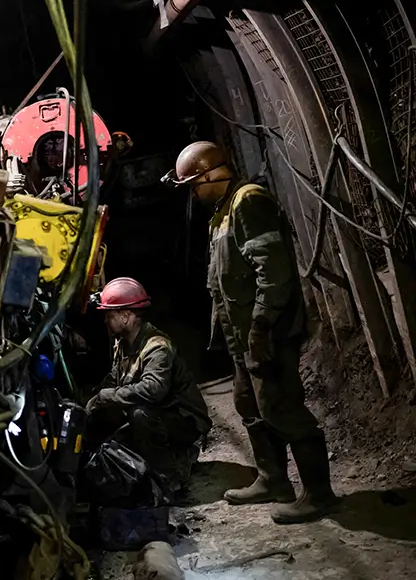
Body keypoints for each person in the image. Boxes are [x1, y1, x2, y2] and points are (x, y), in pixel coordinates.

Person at [166, 140, 337, 524]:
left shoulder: (249, 202)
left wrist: (260, 327)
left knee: (281, 405)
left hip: (268, 331)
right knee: (249, 404)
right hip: (242, 335)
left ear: (211, 173)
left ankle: (320, 494)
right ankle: (273, 480)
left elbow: (273, 272)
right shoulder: (222, 212)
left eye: (194, 184)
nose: (194, 192)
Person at [86, 277, 212, 495]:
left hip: (186, 419)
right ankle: (177, 456)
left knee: (139, 414)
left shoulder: (157, 347)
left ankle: (169, 478)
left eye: (109, 315)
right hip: (162, 414)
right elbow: (114, 379)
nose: (106, 321)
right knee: (113, 442)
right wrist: (93, 398)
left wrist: (107, 396)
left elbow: (154, 389)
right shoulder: (123, 344)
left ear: (125, 316)